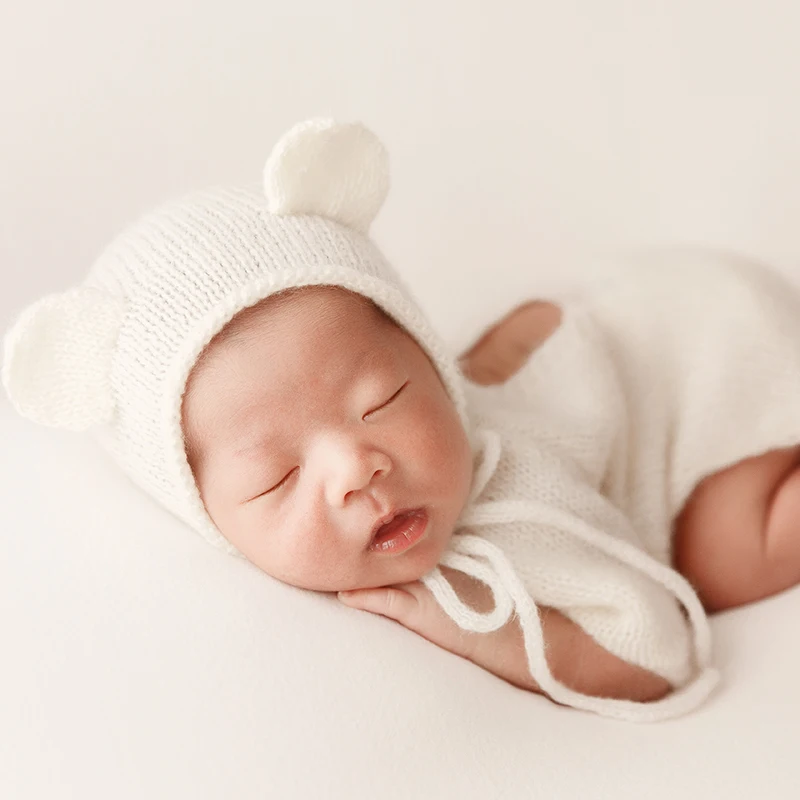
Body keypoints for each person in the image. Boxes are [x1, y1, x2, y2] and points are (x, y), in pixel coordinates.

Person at [6, 119, 800, 723]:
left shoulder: (517, 500)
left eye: (382, 401)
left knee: (726, 552)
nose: (358, 467)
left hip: (707, 369)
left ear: (426, 358)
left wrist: (490, 637)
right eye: (277, 477)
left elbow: (662, 648)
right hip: (638, 317)